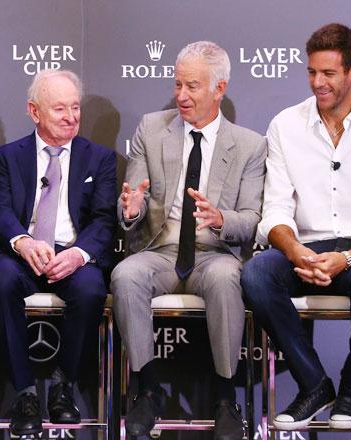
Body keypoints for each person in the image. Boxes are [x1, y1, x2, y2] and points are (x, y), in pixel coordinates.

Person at [241, 23, 351, 430]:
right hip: (307, 249)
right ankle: (315, 385)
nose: (318, 83)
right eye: (312, 73)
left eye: (329, 74)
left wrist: (348, 256)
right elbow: (276, 211)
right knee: (256, 273)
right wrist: (296, 250)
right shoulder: (286, 124)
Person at [111, 41, 267, 440]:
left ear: (219, 88)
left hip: (214, 253)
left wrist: (220, 219)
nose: (181, 95)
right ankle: (146, 390)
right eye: (178, 83)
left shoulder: (249, 145)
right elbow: (136, 196)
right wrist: (130, 209)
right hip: (159, 251)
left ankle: (224, 395)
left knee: (224, 279)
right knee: (126, 276)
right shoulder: (151, 127)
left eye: (192, 86)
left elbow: (251, 220)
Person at [0, 69, 116, 436]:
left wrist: (78, 253)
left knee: (90, 289)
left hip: (72, 253)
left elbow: (104, 220)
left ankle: (63, 385)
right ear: (34, 111)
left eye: (75, 108)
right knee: (1, 277)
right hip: (22, 253)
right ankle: (24, 393)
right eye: (60, 109)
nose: (71, 117)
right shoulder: (9, 157)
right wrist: (23, 243)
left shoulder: (99, 158)